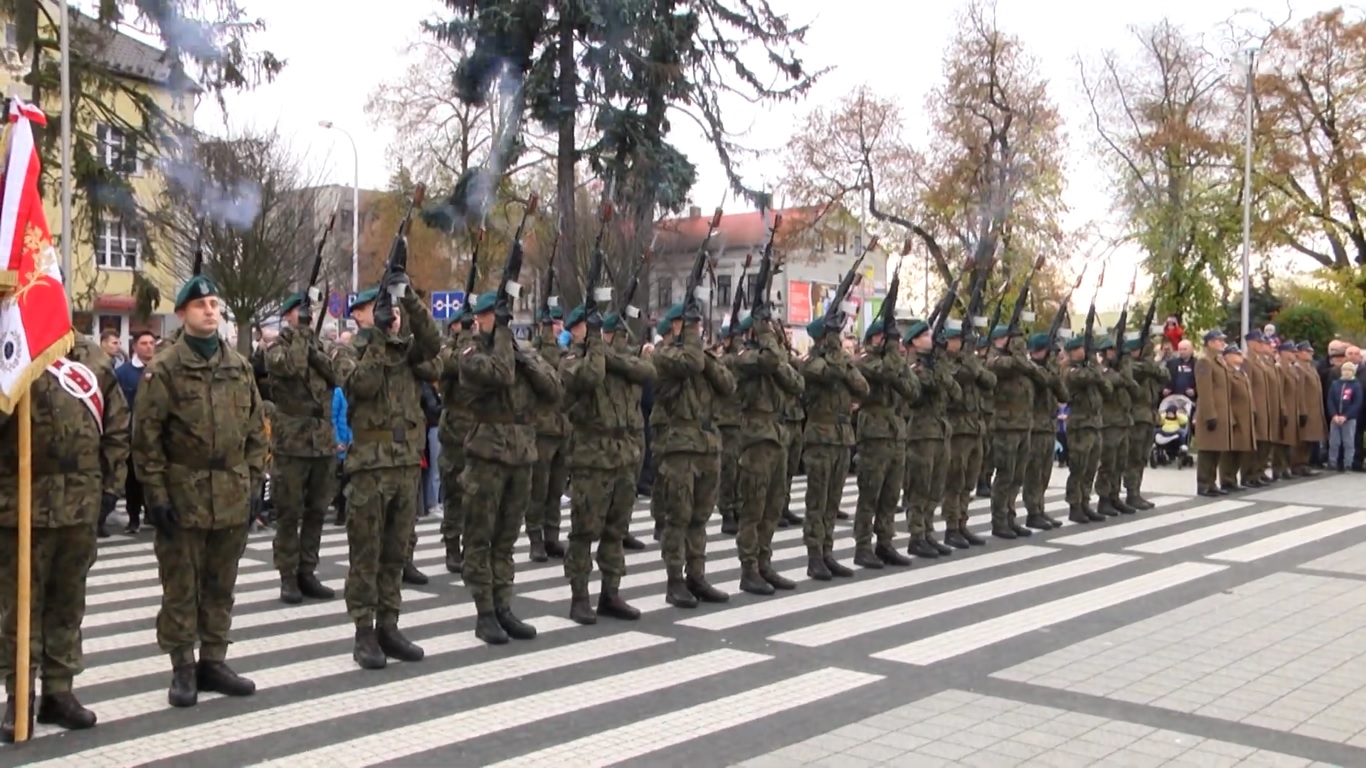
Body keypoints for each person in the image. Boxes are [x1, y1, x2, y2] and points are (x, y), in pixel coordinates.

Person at [133, 273, 266, 707]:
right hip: (184, 493)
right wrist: (155, 495)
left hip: (229, 490)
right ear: (181, 315)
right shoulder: (164, 370)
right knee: (180, 585)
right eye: (200, 305)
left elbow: (255, 431)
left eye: (214, 304)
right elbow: (146, 439)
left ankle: (214, 659)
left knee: (221, 584)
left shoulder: (239, 366)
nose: (210, 310)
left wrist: (255, 483)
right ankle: (182, 667)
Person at [0, 334, 129, 740]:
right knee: (19, 608)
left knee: (68, 603)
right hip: (18, 504)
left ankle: (59, 692)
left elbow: (118, 425)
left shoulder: (91, 358)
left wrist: (111, 487)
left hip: (79, 503)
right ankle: (19, 696)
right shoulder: (8, 349)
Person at [332, 282, 440, 670]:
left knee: (396, 552)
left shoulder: (406, 350)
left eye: (391, 309)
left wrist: (411, 296)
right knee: (366, 554)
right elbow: (362, 384)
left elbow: (434, 344)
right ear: (359, 315)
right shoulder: (348, 351)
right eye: (377, 309)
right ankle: (364, 632)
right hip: (369, 466)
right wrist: (377, 338)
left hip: (405, 464)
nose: (389, 315)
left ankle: (389, 625)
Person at [460, 291, 551, 645]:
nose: (494, 324)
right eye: (489, 319)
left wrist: (524, 360)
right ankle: (484, 613)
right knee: (481, 538)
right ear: (478, 320)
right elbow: (498, 375)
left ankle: (503, 606)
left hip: (521, 456)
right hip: (486, 458)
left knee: (506, 540)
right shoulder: (469, 354)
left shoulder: (517, 355)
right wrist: (501, 340)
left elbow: (553, 389)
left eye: (498, 319)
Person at [559, 303, 652, 624]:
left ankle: (610, 593)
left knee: (616, 529)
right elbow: (591, 375)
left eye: (604, 331)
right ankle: (579, 597)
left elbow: (648, 372)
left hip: (623, 454)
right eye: (593, 330)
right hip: (591, 457)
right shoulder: (572, 359)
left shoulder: (619, 359)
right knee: (584, 531)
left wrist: (608, 353)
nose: (604, 336)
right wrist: (595, 347)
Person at [650, 302, 735, 606]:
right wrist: (692, 344)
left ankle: (696, 576)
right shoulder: (664, 355)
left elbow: (728, 385)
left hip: (707, 445)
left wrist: (709, 358)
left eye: (698, 325)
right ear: (675, 326)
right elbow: (690, 364)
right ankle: (675, 581)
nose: (697, 329)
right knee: (679, 517)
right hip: (679, 446)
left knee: (700, 517)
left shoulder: (701, 356)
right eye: (690, 324)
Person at [264, 292, 340, 606]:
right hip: (291, 442)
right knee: (288, 512)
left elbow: (337, 376)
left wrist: (312, 345)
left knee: (316, 510)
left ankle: (307, 570)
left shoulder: (319, 347)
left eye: (307, 312)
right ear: (287, 316)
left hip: (321, 441)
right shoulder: (276, 349)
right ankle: (287, 576)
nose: (306, 317)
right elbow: (293, 367)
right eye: (300, 312)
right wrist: (301, 338)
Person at [732, 313, 805, 593]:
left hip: (776, 435)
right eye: (766, 330)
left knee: (773, 506)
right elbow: (771, 361)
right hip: (755, 437)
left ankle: (764, 563)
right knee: (753, 508)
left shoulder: (772, 360)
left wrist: (776, 352)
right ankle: (748, 569)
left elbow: (796, 383)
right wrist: (765, 337)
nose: (772, 333)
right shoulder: (744, 356)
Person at [800, 315, 869, 576]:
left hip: (841, 436)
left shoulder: (839, 360)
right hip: (820, 436)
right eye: (834, 335)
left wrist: (841, 356)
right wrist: (835, 353)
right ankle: (814, 555)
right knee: (817, 500)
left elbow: (862, 387)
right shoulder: (811, 362)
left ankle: (827, 551)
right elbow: (834, 374)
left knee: (833, 499)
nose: (839, 339)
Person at [108, 330, 157, 536]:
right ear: (135, 346)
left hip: (156, 434)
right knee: (133, 479)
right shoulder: (124, 373)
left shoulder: (162, 369)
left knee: (155, 475)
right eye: (144, 343)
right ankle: (134, 516)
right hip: (132, 433)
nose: (149, 347)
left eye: (152, 343)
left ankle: (153, 513)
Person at [1193, 330, 1232, 496]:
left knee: (1216, 448)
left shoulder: (1218, 361)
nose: (1221, 343)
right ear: (1209, 343)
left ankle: (1211, 482)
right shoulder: (1204, 361)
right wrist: (1210, 414)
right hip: (1210, 413)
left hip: (1221, 412)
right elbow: (1205, 390)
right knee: (1207, 450)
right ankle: (1203, 483)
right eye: (1218, 340)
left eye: (1222, 340)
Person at [1328, 361, 1362, 471]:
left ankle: (1348, 462)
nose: (1346, 372)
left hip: (1349, 419)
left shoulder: (1356, 385)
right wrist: (1334, 415)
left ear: (1353, 372)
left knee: (1348, 441)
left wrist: (1346, 416)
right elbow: (1330, 401)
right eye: (1344, 370)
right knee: (1334, 441)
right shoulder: (1335, 384)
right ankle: (1332, 461)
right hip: (1335, 418)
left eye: (1349, 370)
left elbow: (1357, 403)